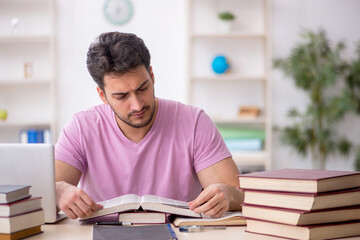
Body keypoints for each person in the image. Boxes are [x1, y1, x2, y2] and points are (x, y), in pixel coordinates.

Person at [55, 32, 244, 220]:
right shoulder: (81, 128)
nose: (137, 105)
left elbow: (242, 195)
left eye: (143, 88)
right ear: (102, 95)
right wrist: (56, 191)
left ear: (152, 76)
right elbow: (38, 197)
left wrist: (229, 194)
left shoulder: (194, 122)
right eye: (121, 96)